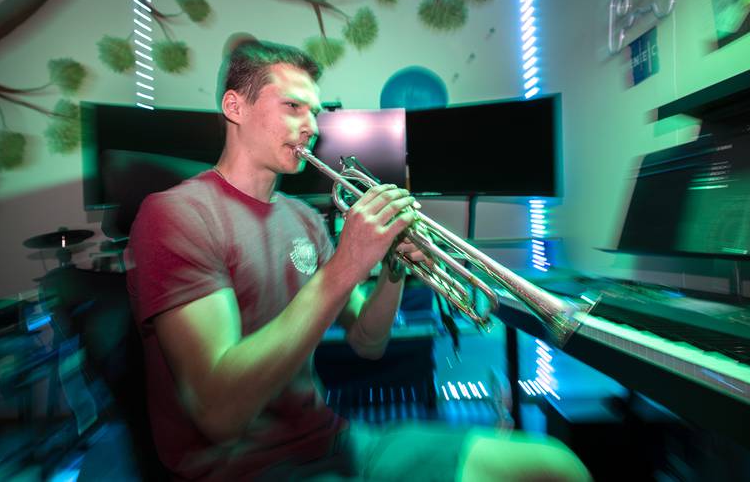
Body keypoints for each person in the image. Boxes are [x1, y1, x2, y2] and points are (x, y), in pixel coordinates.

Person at [126, 38, 591, 481]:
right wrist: (346, 263)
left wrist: (392, 268)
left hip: (333, 443)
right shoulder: (174, 215)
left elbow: (368, 342)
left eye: (315, 111)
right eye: (292, 107)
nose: (311, 125)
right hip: (243, 470)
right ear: (235, 108)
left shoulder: (303, 218)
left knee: (555, 466)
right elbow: (219, 413)